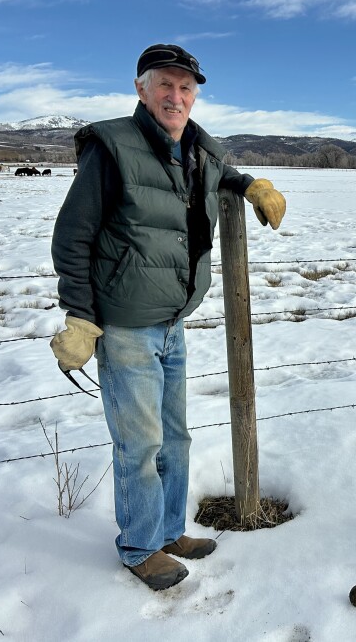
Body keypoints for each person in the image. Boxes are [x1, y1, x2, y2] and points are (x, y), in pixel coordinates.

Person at [50, 43, 286, 591]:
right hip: (127, 325)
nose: (175, 96)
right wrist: (82, 319)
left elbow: (220, 173)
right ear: (141, 89)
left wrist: (251, 185)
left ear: (194, 94)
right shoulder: (112, 148)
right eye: (164, 85)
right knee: (140, 443)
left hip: (173, 320)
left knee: (175, 437)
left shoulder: (198, 149)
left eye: (185, 88)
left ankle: (169, 531)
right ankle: (138, 546)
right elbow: (73, 237)